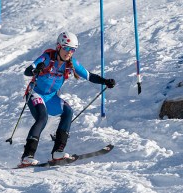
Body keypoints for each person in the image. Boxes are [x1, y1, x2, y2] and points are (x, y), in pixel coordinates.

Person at [20, 31, 115, 166]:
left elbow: (89, 76)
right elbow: (28, 70)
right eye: (66, 48)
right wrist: (36, 70)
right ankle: (27, 156)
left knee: (68, 112)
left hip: (51, 97)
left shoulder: (72, 63)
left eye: (73, 50)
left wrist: (105, 81)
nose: (69, 52)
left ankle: (58, 152)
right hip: (35, 93)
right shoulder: (47, 58)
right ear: (59, 47)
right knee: (42, 117)